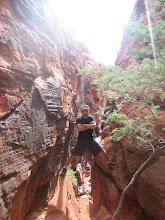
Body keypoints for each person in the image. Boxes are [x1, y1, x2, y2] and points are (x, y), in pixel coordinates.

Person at [60, 104, 115, 177]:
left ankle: (109, 163)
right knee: (73, 155)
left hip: (90, 140)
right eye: (83, 110)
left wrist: (84, 125)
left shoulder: (90, 118)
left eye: (86, 110)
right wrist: (88, 126)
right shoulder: (79, 119)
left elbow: (94, 126)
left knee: (101, 151)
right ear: (82, 111)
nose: (85, 111)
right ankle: (65, 168)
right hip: (81, 140)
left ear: (88, 111)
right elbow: (80, 129)